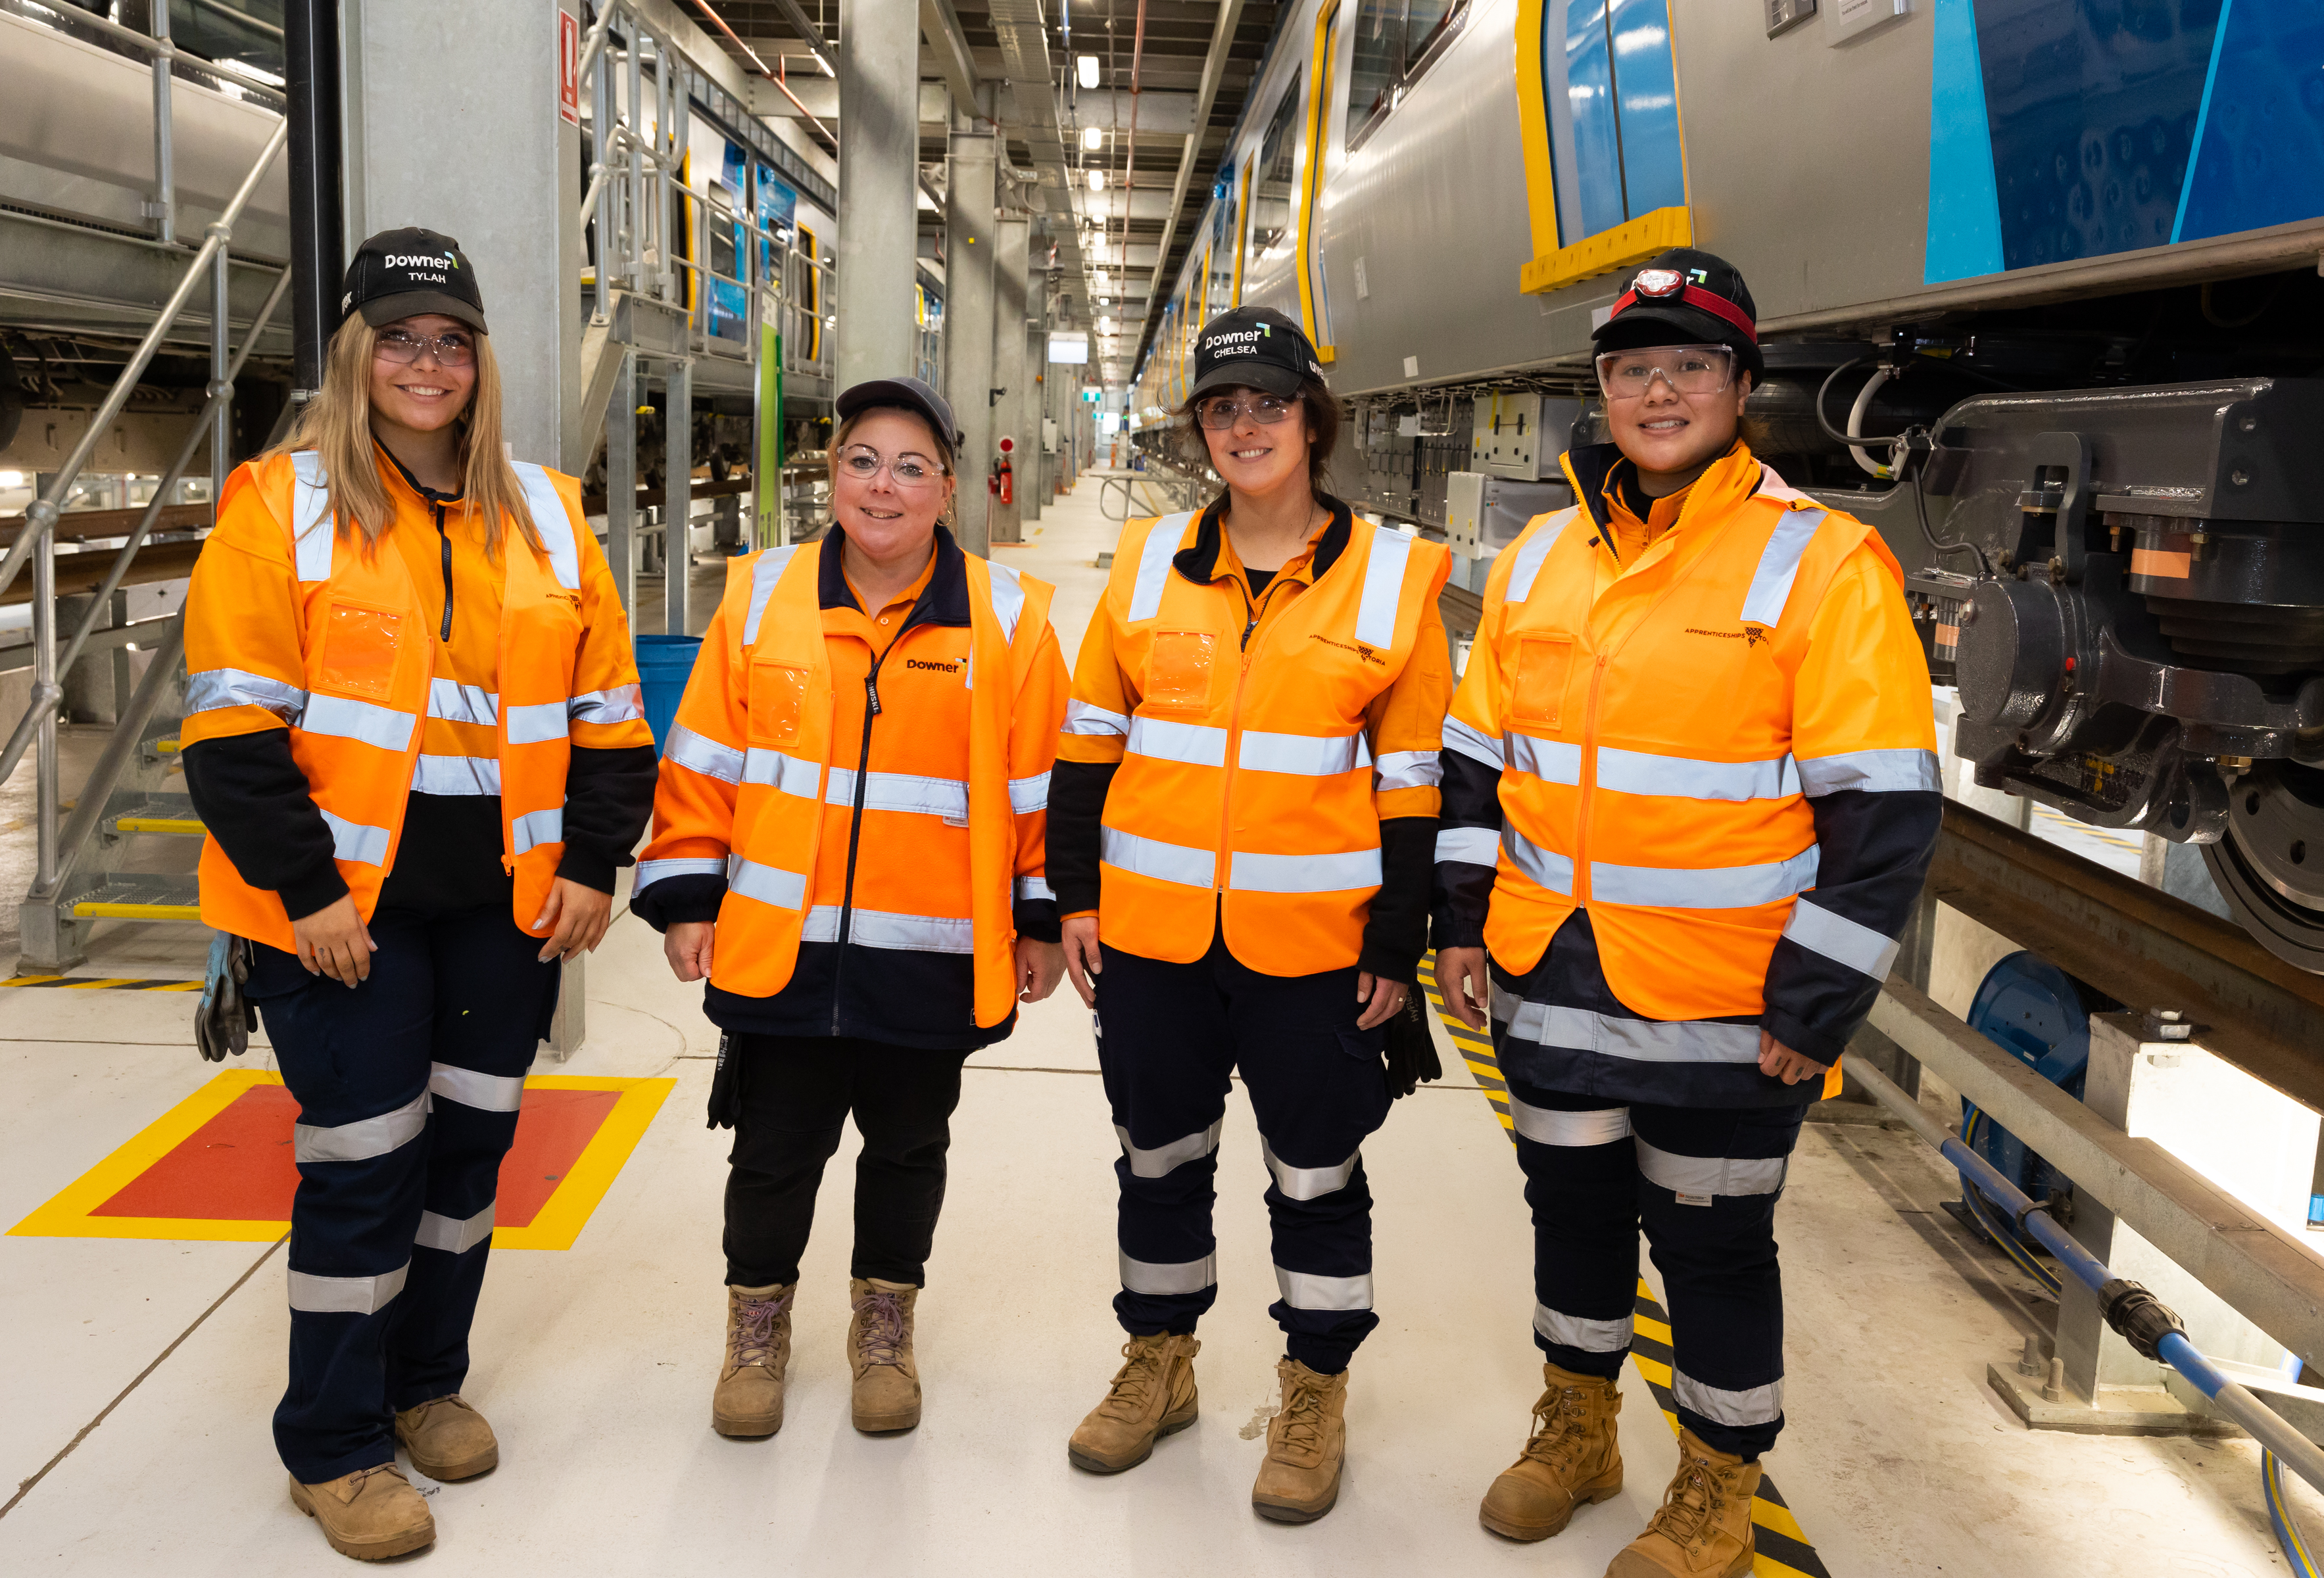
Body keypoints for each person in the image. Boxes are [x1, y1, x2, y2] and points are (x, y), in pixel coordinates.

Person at [1430, 249, 1940, 1577]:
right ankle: (1581, 1431)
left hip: (1731, 997)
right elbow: (1480, 762)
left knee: (1713, 1245)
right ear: (1601, 392)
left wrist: (1816, 1002)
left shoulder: (1825, 564)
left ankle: (1715, 1488)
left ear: (1742, 385)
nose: (1659, 390)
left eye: (1690, 365)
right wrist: (1461, 921)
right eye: (1632, 367)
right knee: (1575, 1216)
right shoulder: (1544, 556)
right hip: (1551, 967)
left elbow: (1884, 812)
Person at [180, 228, 657, 1561]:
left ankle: (423, 1379)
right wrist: (307, 892)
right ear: (354, 353)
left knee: (467, 1155)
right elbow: (229, 725)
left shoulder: (551, 515)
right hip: (344, 912)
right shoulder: (281, 506)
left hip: (505, 908)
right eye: (399, 338)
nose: (427, 363)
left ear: (481, 359)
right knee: (362, 1158)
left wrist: (587, 866)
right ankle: (331, 1444)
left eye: (451, 339)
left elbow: (612, 719)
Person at [1048, 308, 1455, 1522]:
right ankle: (1159, 1358)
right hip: (1156, 939)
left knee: (1317, 1171)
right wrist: (1077, 894)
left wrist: (1399, 940)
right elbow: (1087, 746)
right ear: (1201, 432)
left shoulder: (1393, 577)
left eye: (1268, 404)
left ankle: (1315, 1385)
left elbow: (1415, 780)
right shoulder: (1151, 565)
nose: (1244, 427)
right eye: (1222, 409)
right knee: (1157, 1154)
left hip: (1314, 947)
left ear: (1312, 421)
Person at [632, 375, 1067, 1442]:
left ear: (949, 490)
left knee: (909, 1148)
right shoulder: (763, 594)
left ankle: (884, 1328)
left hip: (930, 953)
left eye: (912, 466)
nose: (884, 485)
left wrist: (1040, 916)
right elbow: (705, 763)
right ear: (832, 476)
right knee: (773, 1152)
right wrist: (688, 890)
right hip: (783, 948)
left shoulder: (1010, 619)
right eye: (863, 460)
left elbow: (1041, 787)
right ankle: (757, 1332)